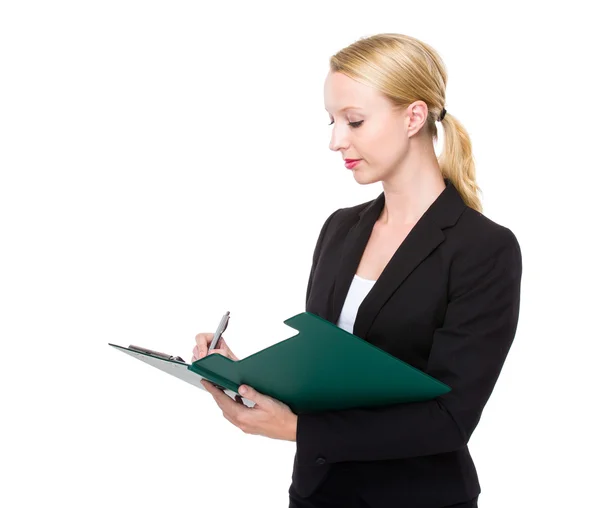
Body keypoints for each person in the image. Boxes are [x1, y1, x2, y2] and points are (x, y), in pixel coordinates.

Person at [192, 33, 522, 508]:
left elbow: (450, 418)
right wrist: (245, 377)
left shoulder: (483, 249)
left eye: (355, 121)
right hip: (317, 494)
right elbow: (328, 370)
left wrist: (300, 431)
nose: (334, 141)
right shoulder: (341, 229)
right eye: (332, 121)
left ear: (414, 117)